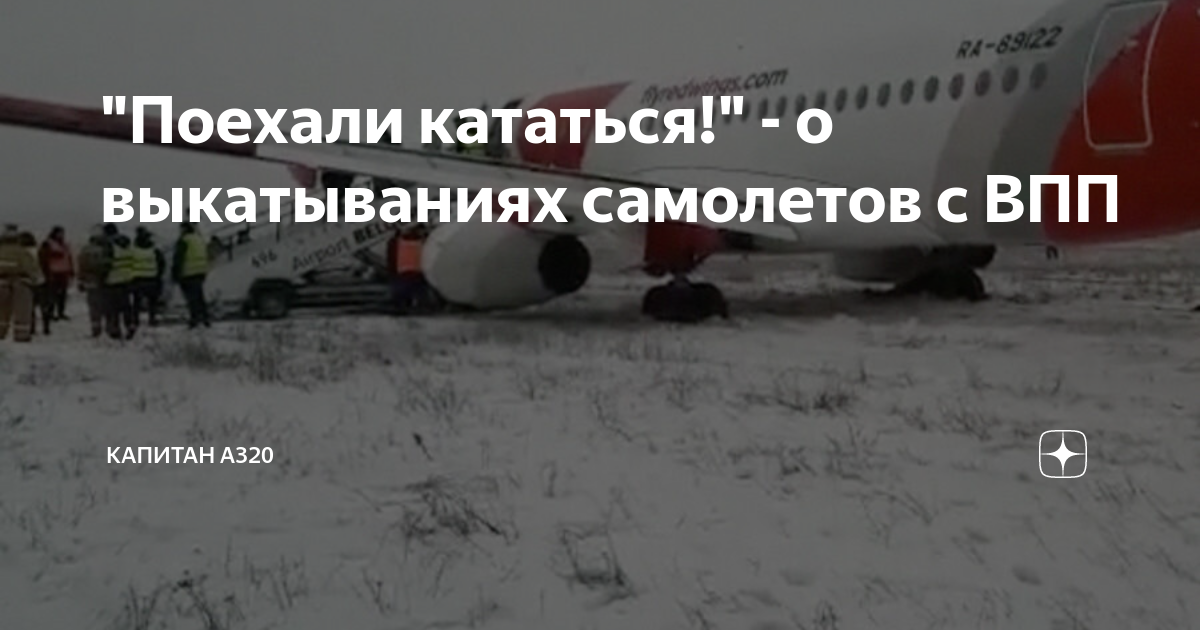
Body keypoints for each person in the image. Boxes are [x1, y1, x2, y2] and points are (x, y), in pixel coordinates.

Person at [0, 224, 43, 342]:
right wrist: (37, 280)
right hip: (21, 284)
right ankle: (21, 335)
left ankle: (0, 333)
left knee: (2, 311)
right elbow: (32, 268)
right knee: (22, 312)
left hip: (1, 283)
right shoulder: (22, 252)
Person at [173, 222, 211, 328]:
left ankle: (194, 319)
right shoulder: (199, 239)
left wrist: (176, 273)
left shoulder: (184, 241)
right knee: (199, 296)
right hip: (201, 271)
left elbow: (178, 258)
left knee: (191, 298)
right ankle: (205, 318)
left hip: (188, 272)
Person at [76, 226, 113, 337]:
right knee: (107, 306)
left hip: (90, 283)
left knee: (94, 308)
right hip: (105, 282)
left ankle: (96, 328)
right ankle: (109, 327)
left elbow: (81, 267)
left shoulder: (85, 250)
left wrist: (81, 281)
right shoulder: (106, 250)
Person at [387, 224, 430, 314]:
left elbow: (391, 260)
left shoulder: (395, 241)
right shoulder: (425, 240)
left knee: (400, 302)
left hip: (403, 276)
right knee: (421, 300)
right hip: (418, 276)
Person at [129, 227, 165, 327]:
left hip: (137, 279)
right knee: (152, 302)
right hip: (152, 279)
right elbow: (161, 264)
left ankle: (135, 320)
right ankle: (152, 319)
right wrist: (158, 275)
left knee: (136, 302)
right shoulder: (154, 250)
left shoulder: (133, 250)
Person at [105, 230, 137, 339]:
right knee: (126, 306)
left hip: (113, 281)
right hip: (128, 280)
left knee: (113, 307)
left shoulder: (111, 248)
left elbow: (106, 265)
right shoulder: (129, 248)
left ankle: (115, 329)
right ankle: (130, 325)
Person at [19, 231, 51, 336]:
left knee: (30, 307)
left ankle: (32, 327)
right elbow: (46, 265)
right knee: (44, 306)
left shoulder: (21, 253)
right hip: (42, 280)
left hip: (28, 281)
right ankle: (46, 327)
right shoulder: (39, 251)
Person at [38, 226, 74, 321]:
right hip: (53, 273)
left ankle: (61, 312)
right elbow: (43, 258)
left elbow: (68, 258)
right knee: (51, 295)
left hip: (64, 273)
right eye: (59, 233)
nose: (61, 235)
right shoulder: (48, 244)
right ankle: (50, 313)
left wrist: (71, 271)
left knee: (62, 295)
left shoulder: (65, 245)